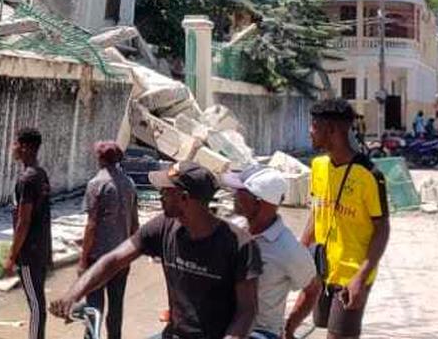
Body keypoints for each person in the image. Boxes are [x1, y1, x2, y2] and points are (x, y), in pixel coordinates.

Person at [51, 162, 261, 339]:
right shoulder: (164, 226)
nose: (160, 196)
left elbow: (247, 311)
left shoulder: (239, 245)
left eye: (166, 191)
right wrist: (74, 293)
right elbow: (114, 259)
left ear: (184, 198)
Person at [292, 99, 389, 339]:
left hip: (352, 273)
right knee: (309, 323)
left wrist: (360, 278)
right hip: (322, 267)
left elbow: (382, 229)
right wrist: (299, 252)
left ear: (332, 130)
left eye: (315, 126)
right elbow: (316, 212)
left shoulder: (369, 175)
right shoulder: (318, 166)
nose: (310, 131)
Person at [224, 166, 319, 339]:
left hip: (259, 331)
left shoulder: (287, 249)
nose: (234, 196)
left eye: (240, 192)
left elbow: (313, 289)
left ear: (259, 202)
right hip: (225, 323)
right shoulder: (233, 230)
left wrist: (290, 329)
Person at [78, 141, 138, 339]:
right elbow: (135, 224)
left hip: (99, 258)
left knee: (94, 307)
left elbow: (91, 225)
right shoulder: (129, 184)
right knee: (116, 307)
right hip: (122, 256)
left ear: (100, 158)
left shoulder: (96, 184)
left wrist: (83, 259)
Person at [6, 127, 53, 339]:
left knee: (36, 305)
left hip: (29, 253)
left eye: (16, 143)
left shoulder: (26, 180)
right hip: (41, 249)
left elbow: (23, 222)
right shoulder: (41, 175)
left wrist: (12, 256)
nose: (13, 147)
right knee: (38, 303)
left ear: (25, 147)